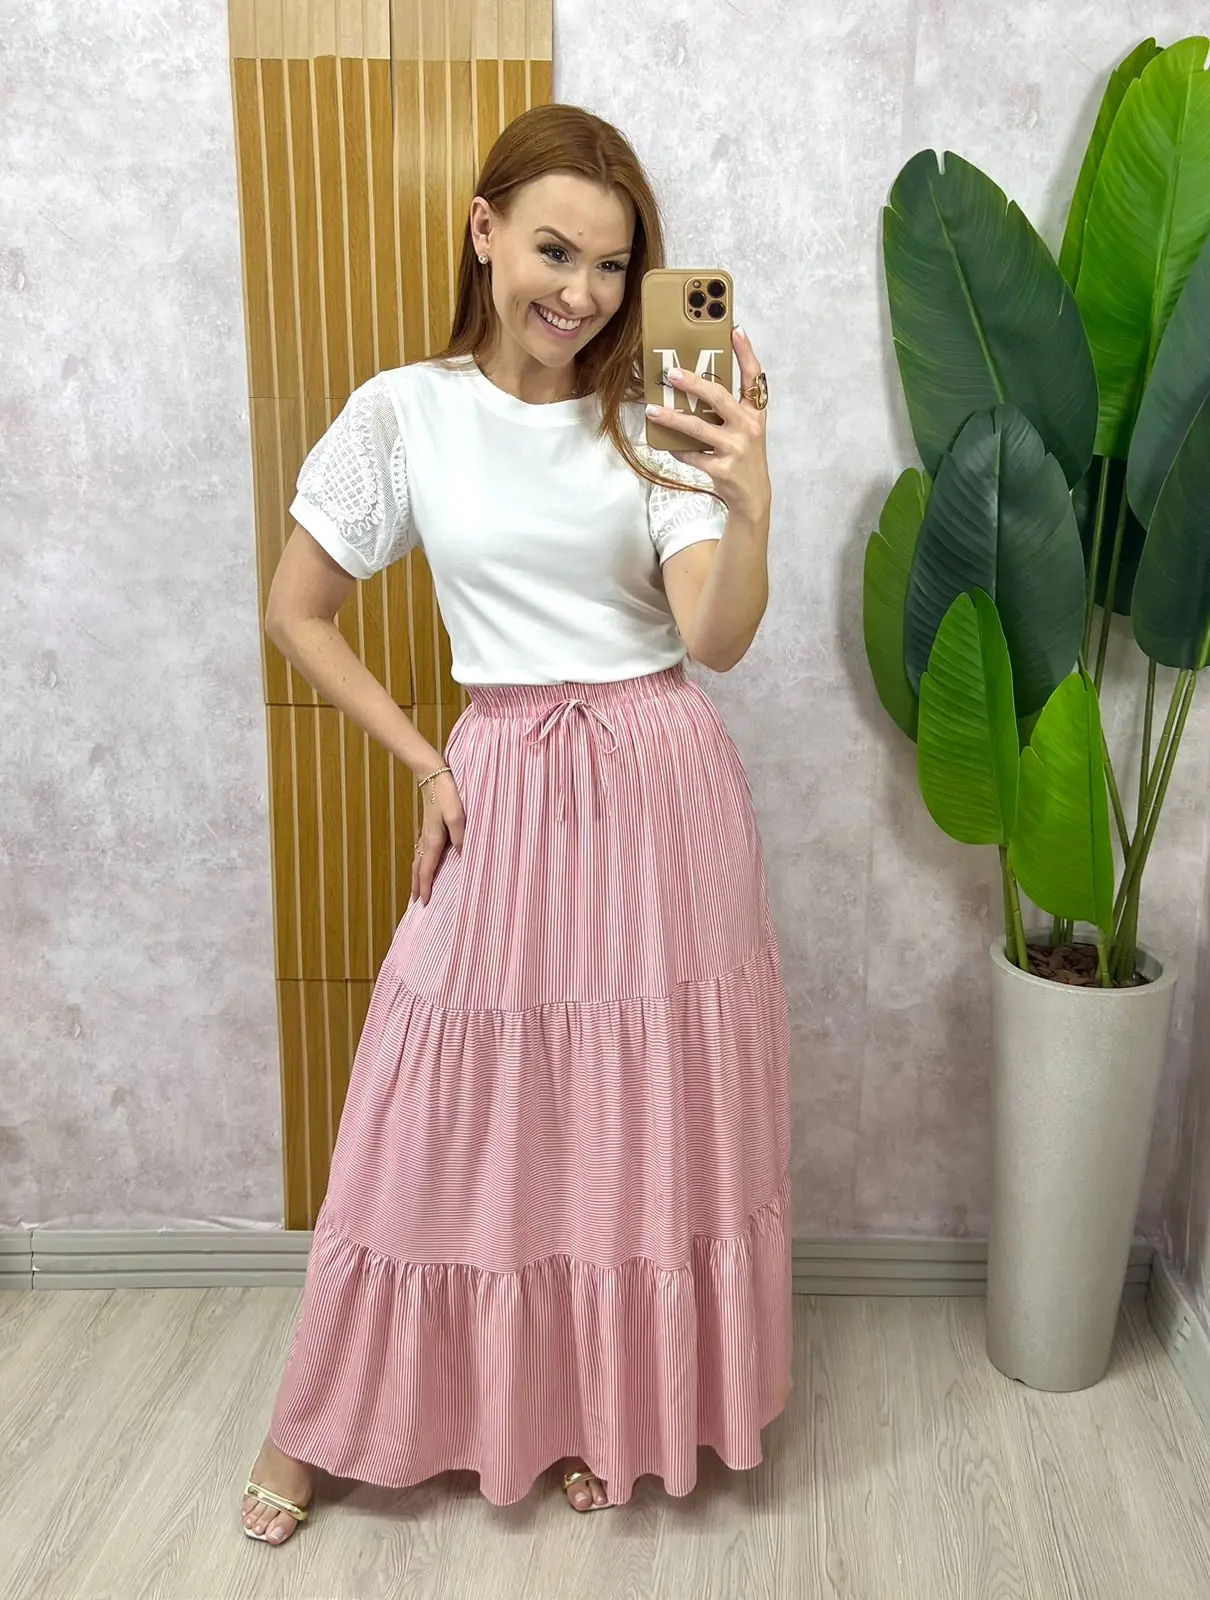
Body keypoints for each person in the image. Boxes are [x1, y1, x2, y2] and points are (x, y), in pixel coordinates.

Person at [239, 101, 790, 1545]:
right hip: (504, 774)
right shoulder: (404, 413)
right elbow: (299, 610)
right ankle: (317, 1422)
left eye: (613, 266)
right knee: (435, 1095)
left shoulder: (652, 417)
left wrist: (749, 499)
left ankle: (608, 1406)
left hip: (661, 781)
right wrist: (428, 766)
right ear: (483, 231)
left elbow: (715, 639)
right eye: (555, 250)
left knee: (628, 1108)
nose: (583, 294)